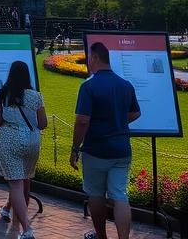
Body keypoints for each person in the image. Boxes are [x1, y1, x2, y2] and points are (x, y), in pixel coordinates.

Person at [70, 42, 141, 239]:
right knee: (120, 195)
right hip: (122, 150)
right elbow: (135, 112)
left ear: (95, 58)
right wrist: (116, 120)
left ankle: (101, 235)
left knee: (96, 194)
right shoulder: (126, 85)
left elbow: (83, 120)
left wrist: (75, 148)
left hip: (97, 149)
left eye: (89, 59)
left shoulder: (89, 86)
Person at [0, 61, 46, 239]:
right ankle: (7, 209)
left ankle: (27, 229)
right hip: (32, 142)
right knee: (24, 179)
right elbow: (43, 124)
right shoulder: (36, 96)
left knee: (15, 183)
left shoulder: (2, 95)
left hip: (10, 141)